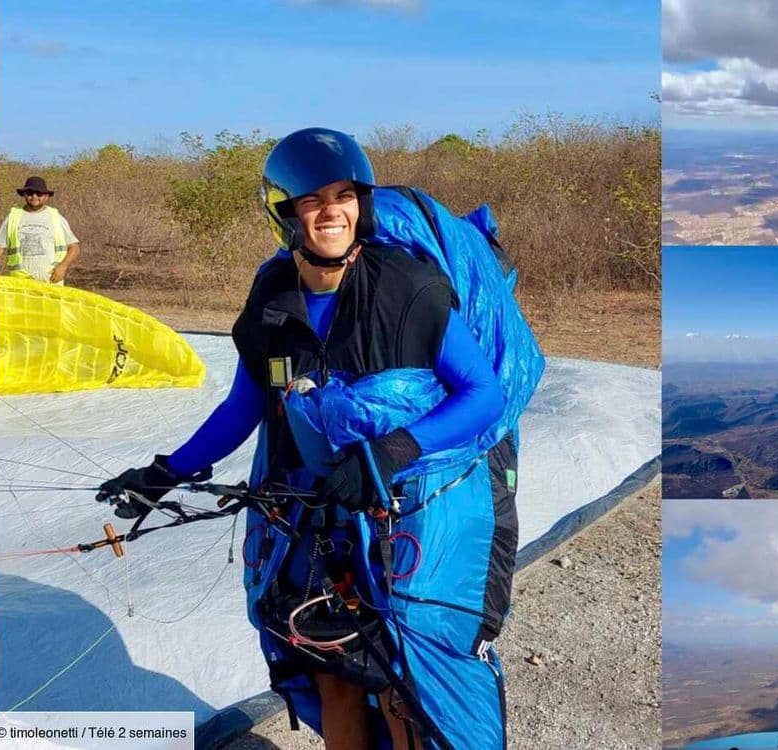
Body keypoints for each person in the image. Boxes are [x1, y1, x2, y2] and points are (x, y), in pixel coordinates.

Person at [96, 128, 524, 750]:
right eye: (313, 199)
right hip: (313, 515)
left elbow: (482, 396)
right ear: (285, 213)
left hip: (406, 515)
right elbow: (247, 404)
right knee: (334, 674)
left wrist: (388, 452)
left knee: (404, 684)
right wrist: (167, 471)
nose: (332, 211)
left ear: (362, 204)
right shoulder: (272, 298)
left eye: (345, 195)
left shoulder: (408, 288)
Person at [0, 176, 81, 284]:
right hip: (20, 284)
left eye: (39, 193)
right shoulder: (12, 217)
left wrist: (62, 267)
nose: (34, 196)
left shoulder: (56, 217)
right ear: (24, 194)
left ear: (46, 196)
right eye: (30, 193)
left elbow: (74, 248)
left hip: (51, 283)